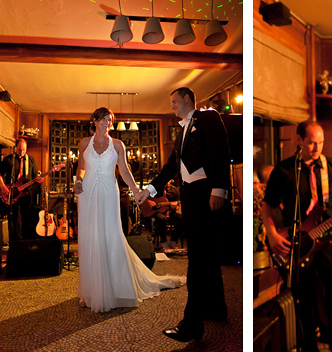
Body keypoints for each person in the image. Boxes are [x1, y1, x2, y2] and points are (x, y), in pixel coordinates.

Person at [262, 120, 332, 352]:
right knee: (305, 301)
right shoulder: (283, 170)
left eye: (320, 143)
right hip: (299, 243)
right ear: (299, 140)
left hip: (330, 240)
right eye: (312, 143)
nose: (316, 148)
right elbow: (268, 206)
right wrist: (272, 234)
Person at [135, 87, 232, 342]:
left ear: (188, 99)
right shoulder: (181, 131)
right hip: (190, 197)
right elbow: (169, 167)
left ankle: (192, 324)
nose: (172, 107)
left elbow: (221, 151)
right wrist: (149, 190)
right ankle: (215, 309)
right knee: (206, 256)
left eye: (174, 102)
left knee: (198, 259)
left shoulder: (208, 118)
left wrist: (220, 188)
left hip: (206, 193)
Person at [73, 107, 185, 313]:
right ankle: (89, 292)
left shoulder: (117, 144)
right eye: (104, 119)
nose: (108, 123)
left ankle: (115, 288)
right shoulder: (83, 143)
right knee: (90, 239)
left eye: (110, 120)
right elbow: (81, 166)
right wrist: (78, 180)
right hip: (88, 193)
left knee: (111, 236)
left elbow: (124, 170)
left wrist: (136, 191)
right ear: (95, 120)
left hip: (108, 192)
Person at [0, 138, 44, 241]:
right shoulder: (8, 159)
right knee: (13, 219)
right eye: (20, 150)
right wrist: (2, 186)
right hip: (12, 193)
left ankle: (25, 244)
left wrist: (39, 178)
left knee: (27, 219)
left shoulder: (31, 160)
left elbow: (35, 176)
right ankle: (14, 243)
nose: (22, 152)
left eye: (24, 149)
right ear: (15, 148)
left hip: (26, 194)